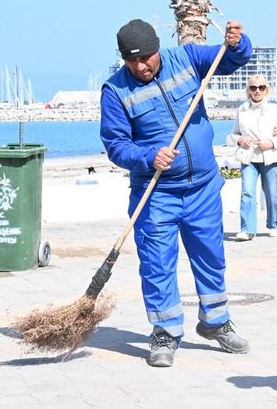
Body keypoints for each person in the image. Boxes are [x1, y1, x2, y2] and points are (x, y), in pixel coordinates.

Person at [100, 19, 252, 367]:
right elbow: (116, 145)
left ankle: (215, 321)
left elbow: (230, 59)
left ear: (157, 49)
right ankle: (165, 332)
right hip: (156, 193)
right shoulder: (115, 90)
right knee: (157, 265)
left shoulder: (187, 58)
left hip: (203, 188)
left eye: (146, 58)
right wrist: (147, 156)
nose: (141, 66)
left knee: (211, 257)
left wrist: (237, 42)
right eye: (132, 61)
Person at [231, 75, 277, 241]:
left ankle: (273, 224)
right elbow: (233, 134)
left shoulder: (274, 110)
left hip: (270, 157)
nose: (257, 91)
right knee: (247, 192)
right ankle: (247, 229)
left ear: (266, 89)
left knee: (272, 193)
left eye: (261, 87)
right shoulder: (242, 110)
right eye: (253, 87)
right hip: (249, 157)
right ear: (248, 90)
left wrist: (270, 143)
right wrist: (240, 140)